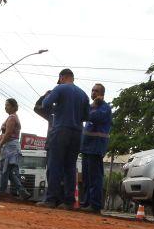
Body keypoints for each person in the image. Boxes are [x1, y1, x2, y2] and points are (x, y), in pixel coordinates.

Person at [39, 68, 90, 209]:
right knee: (70, 166)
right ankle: (68, 201)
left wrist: (57, 108)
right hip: (77, 132)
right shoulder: (84, 94)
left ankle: (51, 199)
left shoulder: (60, 88)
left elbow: (45, 104)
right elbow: (87, 117)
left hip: (61, 129)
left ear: (62, 77)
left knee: (55, 164)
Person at [78, 84, 112, 213]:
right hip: (87, 147)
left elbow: (91, 116)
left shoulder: (105, 108)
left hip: (96, 147)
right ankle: (86, 203)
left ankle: (95, 205)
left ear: (102, 93)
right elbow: (84, 114)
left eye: (96, 91)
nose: (93, 92)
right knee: (86, 178)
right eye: (92, 90)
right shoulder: (93, 107)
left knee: (94, 178)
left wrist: (92, 106)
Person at [0, 98, 24, 197]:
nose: (5, 107)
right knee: (8, 171)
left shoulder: (12, 117)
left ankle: (1, 193)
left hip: (9, 146)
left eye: (7, 105)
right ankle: (22, 191)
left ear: (12, 107)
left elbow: (8, 134)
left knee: (3, 169)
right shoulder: (15, 117)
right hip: (12, 146)